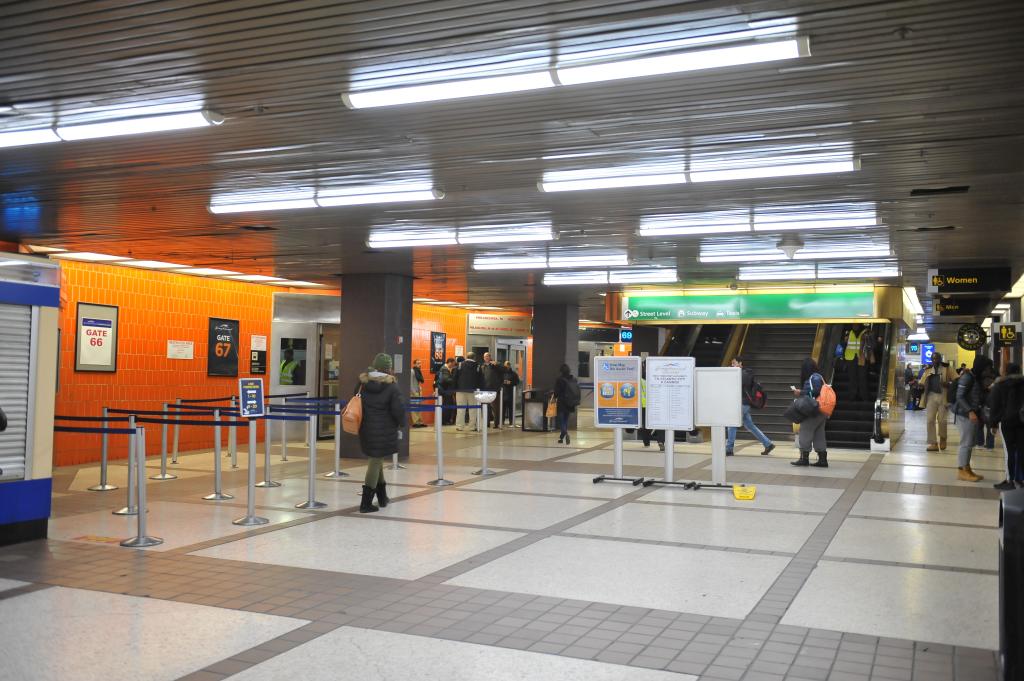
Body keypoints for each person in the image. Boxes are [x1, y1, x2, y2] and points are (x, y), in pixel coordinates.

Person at [356, 353, 406, 513]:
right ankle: (365, 504)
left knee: (376, 459)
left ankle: (382, 497)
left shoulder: (362, 383)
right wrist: (403, 423)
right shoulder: (392, 386)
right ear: (389, 368)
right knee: (375, 462)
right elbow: (398, 409)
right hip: (384, 428)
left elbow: (355, 399)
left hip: (366, 427)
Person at [952, 355, 996, 482]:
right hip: (964, 414)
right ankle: (961, 470)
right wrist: (970, 411)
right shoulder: (967, 377)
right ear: (981, 367)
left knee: (970, 442)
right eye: (987, 368)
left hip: (972, 414)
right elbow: (960, 397)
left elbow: (977, 395)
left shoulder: (976, 378)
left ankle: (967, 468)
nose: (988, 371)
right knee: (966, 443)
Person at [726, 357, 775, 457]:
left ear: (740, 363)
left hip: (743, 403)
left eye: (734, 363)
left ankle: (729, 449)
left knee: (732, 424)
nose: (732, 365)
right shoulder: (738, 373)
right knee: (750, 426)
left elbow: (743, 382)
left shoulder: (746, 373)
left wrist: (733, 372)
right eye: (732, 364)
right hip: (741, 403)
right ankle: (768, 444)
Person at [987, 363, 1024, 490]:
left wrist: (993, 424)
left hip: (1007, 422)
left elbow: (995, 406)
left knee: (1010, 451)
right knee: (1020, 450)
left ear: (1006, 372)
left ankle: (1010, 480)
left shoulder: (1000, 385)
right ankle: (1020, 478)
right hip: (1022, 422)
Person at [791, 358, 828, 467]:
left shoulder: (813, 378)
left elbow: (814, 392)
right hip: (822, 410)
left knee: (805, 431)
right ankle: (822, 459)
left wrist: (800, 392)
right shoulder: (820, 377)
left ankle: (804, 458)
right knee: (819, 434)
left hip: (813, 409)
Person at [917, 352, 953, 451]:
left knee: (942, 420)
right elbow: (922, 381)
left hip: (943, 396)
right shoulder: (928, 370)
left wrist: (948, 383)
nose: (935, 361)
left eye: (936, 358)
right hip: (931, 396)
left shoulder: (947, 368)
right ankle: (933, 443)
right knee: (929, 420)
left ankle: (943, 438)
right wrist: (920, 385)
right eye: (933, 359)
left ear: (940, 359)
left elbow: (956, 380)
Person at [454, 352, 483, 431]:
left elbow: (455, 377)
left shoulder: (460, 365)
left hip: (460, 390)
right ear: (474, 357)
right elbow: (481, 379)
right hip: (473, 391)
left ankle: (460, 426)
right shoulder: (478, 366)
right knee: (473, 409)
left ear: (466, 357)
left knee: (460, 408)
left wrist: (454, 389)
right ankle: (472, 426)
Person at [553, 363, 580, 445]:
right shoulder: (573, 379)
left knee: (561, 420)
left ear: (561, 371)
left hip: (562, 402)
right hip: (570, 402)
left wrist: (554, 395)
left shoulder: (560, 380)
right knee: (565, 420)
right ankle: (561, 438)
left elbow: (556, 393)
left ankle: (565, 432)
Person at [842, 323, 870, 401]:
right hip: (850, 358)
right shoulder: (848, 332)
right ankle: (853, 395)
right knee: (852, 378)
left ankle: (864, 396)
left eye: (856, 324)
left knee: (862, 377)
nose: (855, 325)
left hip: (861, 357)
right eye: (854, 324)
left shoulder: (865, 332)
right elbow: (844, 345)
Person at [480, 352, 503, 428]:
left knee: (495, 408)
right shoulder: (482, 366)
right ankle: (487, 423)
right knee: (486, 407)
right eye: (484, 356)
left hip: (494, 390)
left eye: (487, 356)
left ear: (490, 357)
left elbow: (504, 370)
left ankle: (496, 423)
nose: (486, 358)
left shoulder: (495, 365)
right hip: (484, 390)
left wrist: (497, 365)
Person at [436, 357, 457, 425]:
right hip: (445, 391)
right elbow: (447, 380)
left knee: (447, 405)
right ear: (450, 362)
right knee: (447, 405)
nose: (453, 365)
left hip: (445, 390)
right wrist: (455, 379)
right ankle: (445, 421)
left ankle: (446, 420)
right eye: (453, 364)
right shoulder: (444, 369)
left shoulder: (446, 369)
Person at [501, 361, 519, 425]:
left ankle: (511, 421)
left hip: (511, 393)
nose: (507, 366)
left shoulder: (514, 374)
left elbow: (517, 382)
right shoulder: (501, 373)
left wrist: (510, 383)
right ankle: (502, 421)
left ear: (510, 365)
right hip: (503, 393)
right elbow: (499, 381)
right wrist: (503, 382)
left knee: (511, 408)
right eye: (506, 365)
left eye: (508, 365)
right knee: (502, 408)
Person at [410, 359, 426, 428]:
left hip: (418, 392)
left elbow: (418, 382)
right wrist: (413, 392)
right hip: (414, 392)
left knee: (419, 407)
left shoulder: (418, 372)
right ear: (414, 364)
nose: (419, 364)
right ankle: (415, 422)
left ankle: (420, 422)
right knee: (414, 407)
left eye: (420, 363)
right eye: (418, 363)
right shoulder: (412, 371)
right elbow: (410, 383)